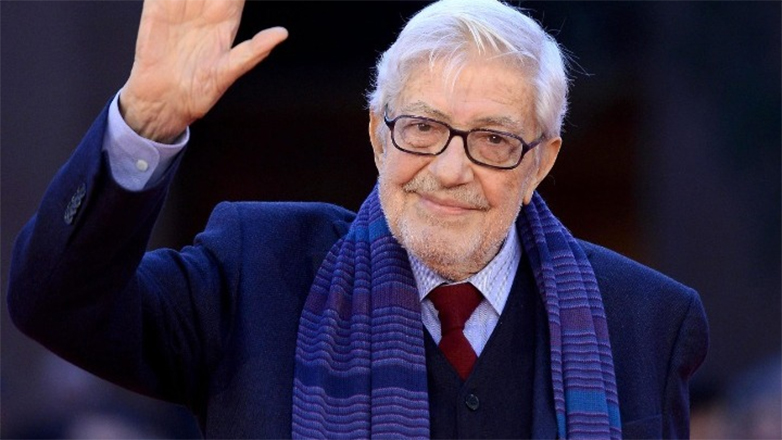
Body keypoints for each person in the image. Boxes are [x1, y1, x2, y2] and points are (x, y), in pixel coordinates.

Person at [7, 0, 708, 438]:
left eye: (494, 140)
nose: (451, 168)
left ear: (542, 162)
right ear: (377, 134)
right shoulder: (255, 272)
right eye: (422, 128)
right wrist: (145, 124)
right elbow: (56, 306)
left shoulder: (646, 321)